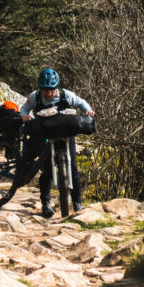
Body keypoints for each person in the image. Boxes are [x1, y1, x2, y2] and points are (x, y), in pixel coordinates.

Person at [20, 68, 95, 218]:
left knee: (73, 168)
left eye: (51, 90)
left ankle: (77, 203)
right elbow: (24, 108)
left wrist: (88, 111)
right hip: (46, 136)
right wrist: (25, 116)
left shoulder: (65, 95)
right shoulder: (35, 97)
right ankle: (45, 203)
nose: (48, 93)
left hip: (66, 135)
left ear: (57, 87)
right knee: (46, 170)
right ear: (40, 88)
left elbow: (82, 103)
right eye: (45, 90)